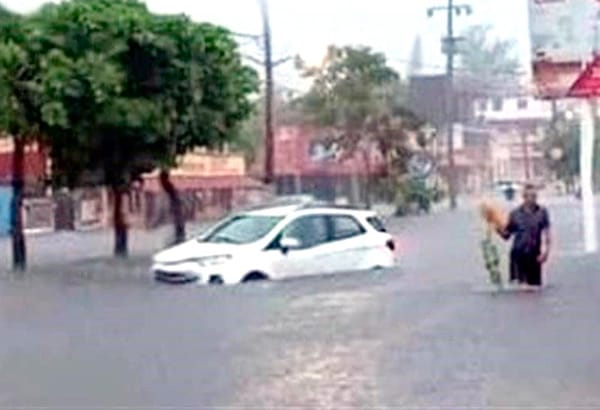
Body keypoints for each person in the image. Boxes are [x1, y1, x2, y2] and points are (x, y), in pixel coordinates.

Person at [498, 184, 551, 290]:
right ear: (524, 197)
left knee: (536, 288)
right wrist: (497, 227)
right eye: (530, 196)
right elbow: (506, 235)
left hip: (534, 255)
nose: (533, 199)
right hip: (518, 255)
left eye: (534, 196)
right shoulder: (515, 214)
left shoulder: (542, 212)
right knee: (520, 289)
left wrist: (546, 252)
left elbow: (547, 233)